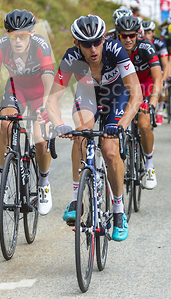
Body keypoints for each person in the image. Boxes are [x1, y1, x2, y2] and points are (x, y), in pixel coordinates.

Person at [46, 15, 143, 242]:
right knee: (81, 132)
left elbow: (136, 94)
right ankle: (75, 199)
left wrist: (121, 126)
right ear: (76, 43)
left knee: (110, 150)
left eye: (97, 41)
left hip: (115, 96)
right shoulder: (71, 58)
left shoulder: (115, 49)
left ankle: (118, 211)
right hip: (88, 96)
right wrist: (59, 125)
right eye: (86, 44)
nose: (93, 48)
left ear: (103, 39)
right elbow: (51, 100)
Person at [0, 9, 55, 214]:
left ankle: (43, 183)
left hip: (40, 92)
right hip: (16, 88)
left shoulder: (41, 46)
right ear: (7, 34)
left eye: (23, 36)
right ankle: (5, 184)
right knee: (5, 124)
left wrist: (44, 107)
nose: (18, 41)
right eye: (13, 36)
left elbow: (49, 80)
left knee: (40, 138)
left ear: (31, 34)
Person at [116, 16, 162, 188]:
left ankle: (149, 163)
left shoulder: (146, 47)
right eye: (124, 36)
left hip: (146, 86)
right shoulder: (114, 48)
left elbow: (158, 77)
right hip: (126, 86)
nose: (128, 39)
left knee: (143, 124)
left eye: (132, 35)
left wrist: (153, 102)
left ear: (137, 35)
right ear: (119, 35)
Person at [142, 20, 169, 125]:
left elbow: (166, 64)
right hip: (145, 69)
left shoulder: (160, 43)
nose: (146, 35)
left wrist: (164, 78)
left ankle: (160, 110)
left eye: (149, 33)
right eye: (144, 32)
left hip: (158, 68)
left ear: (153, 32)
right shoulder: (139, 43)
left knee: (162, 87)